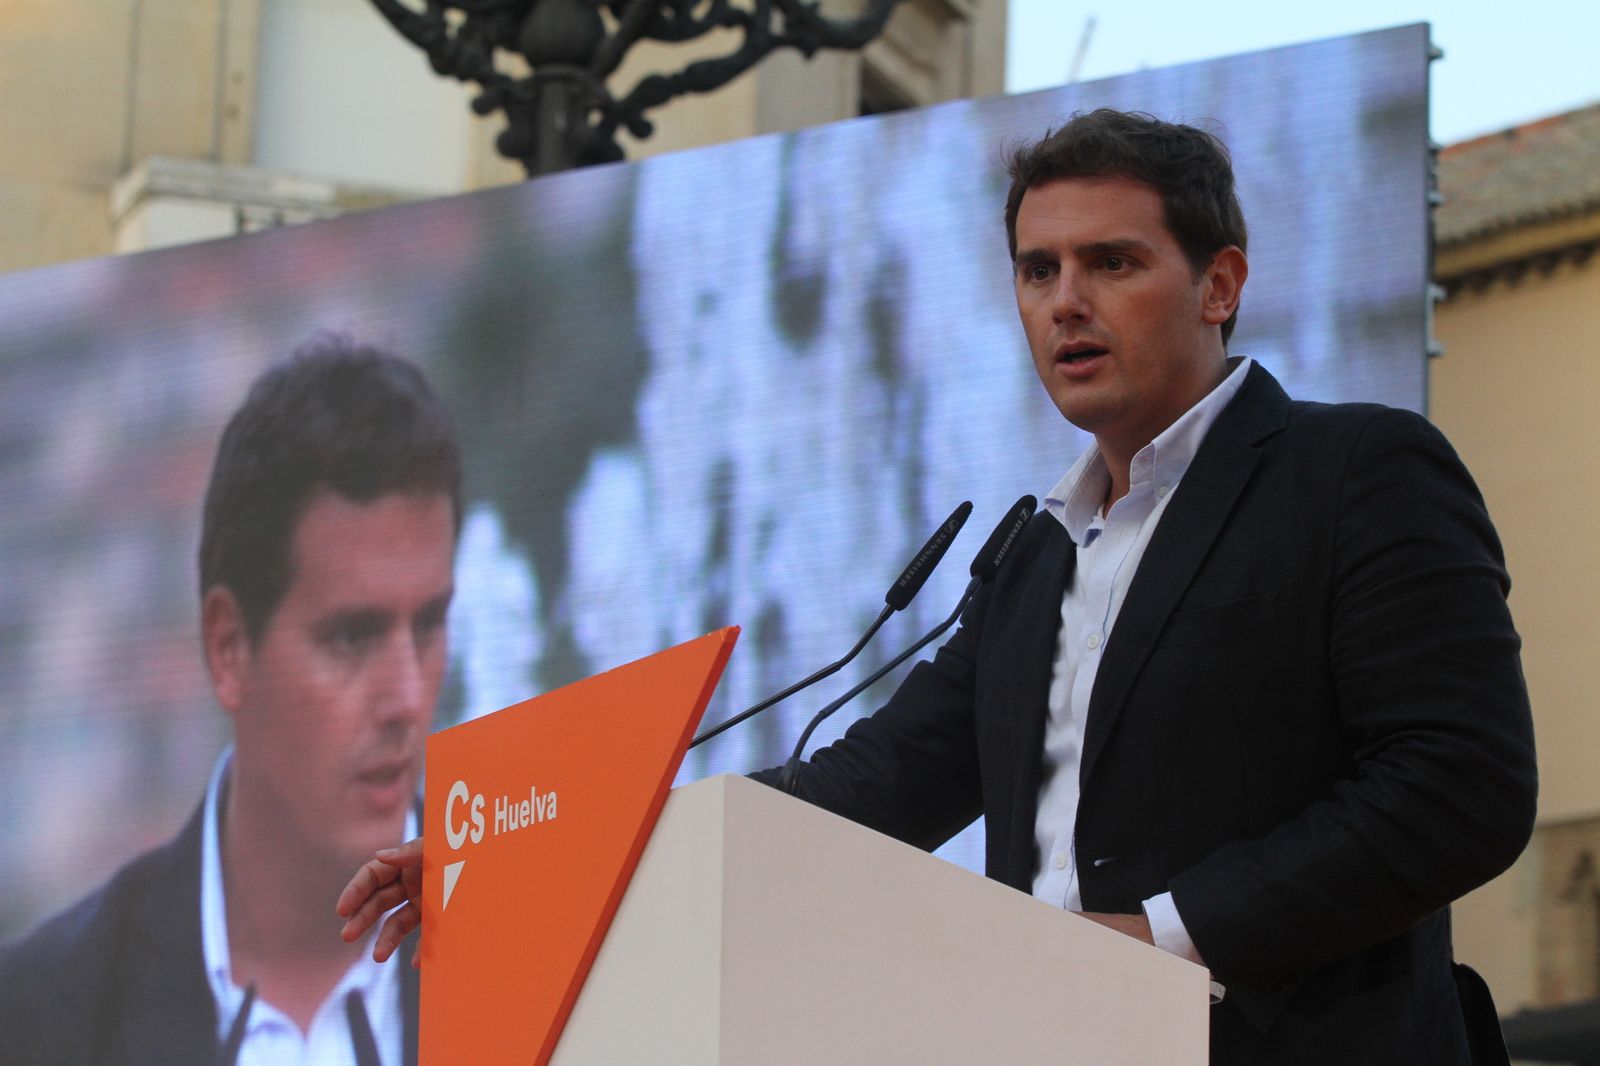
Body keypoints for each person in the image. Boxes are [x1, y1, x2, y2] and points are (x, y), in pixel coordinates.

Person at [339, 110, 1537, 1064]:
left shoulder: (1353, 472)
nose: (1064, 300)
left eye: (1111, 262)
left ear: (1218, 283)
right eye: (1036, 269)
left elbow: (1460, 784)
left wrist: (1162, 938)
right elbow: (862, 787)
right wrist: (510, 861)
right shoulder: (1033, 557)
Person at [0, 341, 461, 1065]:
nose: (407, 696)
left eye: (429, 625)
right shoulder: (43, 1015)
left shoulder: (549, 941)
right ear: (229, 649)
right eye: (352, 637)